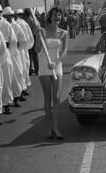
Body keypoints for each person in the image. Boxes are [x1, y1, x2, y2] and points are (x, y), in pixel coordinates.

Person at [35, 7, 68, 140]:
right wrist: (38, 36)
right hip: (44, 66)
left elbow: (65, 51)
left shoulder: (64, 33)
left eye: (59, 15)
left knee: (57, 97)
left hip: (56, 66)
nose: (57, 17)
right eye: (55, 15)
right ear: (50, 17)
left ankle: (56, 127)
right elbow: (37, 50)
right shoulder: (42, 31)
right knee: (47, 98)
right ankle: (49, 127)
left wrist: (56, 62)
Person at [0, 2, 16, 114]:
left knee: (6, 82)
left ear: (1, 13)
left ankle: (6, 104)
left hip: (5, 56)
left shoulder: (6, 25)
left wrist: (7, 55)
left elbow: (13, 42)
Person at [3, 7, 26, 107]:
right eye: (6, 16)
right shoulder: (2, 26)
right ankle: (5, 102)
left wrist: (18, 50)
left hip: (15, 53)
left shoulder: (17, 26)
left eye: (10, 16)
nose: (8, 18)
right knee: (5, 78)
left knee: (16, 75)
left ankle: (16, 97)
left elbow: (23, 40)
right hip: (5, 54)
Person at [15, 8, 34, 97]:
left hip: (22, 51)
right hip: (14, 52)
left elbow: (28, 38)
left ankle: (23, 88)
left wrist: (25, 49)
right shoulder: (9, 24)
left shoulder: (23, 24)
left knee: (23, 70)